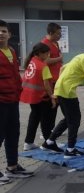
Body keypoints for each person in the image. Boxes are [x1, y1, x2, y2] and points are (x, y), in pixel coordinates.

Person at [0, 19, 34, 183]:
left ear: (9, 34)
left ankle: (12, 167)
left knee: (13, 134)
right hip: (1, 100)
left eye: (3, 31)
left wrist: (18, 91)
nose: (1, 34)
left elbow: (14, 75)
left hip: (12, 100)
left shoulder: (11, 51)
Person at [20, 43, 57, 151]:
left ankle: (28, 142)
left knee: (34, 118)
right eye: (47, 53)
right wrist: (52, 97)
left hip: (31, 96)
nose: (48, 56)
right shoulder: (43, 66)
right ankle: (49, 143)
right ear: (40, 53)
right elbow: (47, 84)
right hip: (40, 97)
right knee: (45, 121)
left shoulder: (32, 61)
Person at [40, 23, 63, 140]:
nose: (60, 36)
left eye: (60, 33)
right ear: (50, 33)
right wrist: (59, 59)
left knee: (56, 104)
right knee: (50, 105)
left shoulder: (56, 43)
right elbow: (46, 60)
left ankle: (51, 128)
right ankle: (46, 131)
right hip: (50, 80)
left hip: (57, 78)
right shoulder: (44, 44)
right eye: (57, 33)